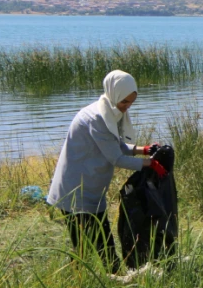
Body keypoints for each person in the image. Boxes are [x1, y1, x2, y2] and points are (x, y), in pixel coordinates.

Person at [46, 70, 166, 272]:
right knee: (90, 246)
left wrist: (141, 149)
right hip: (75, 190)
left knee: (99, 242)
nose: (127, 107)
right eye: (124, 102)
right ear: (114, 94)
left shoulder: (110, 112)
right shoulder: (96, 118)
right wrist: (149, 164)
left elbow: (115, 145)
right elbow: (116, 158)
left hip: (92, 188)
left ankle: (107, 279)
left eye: (131, 102)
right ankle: (90, 284)